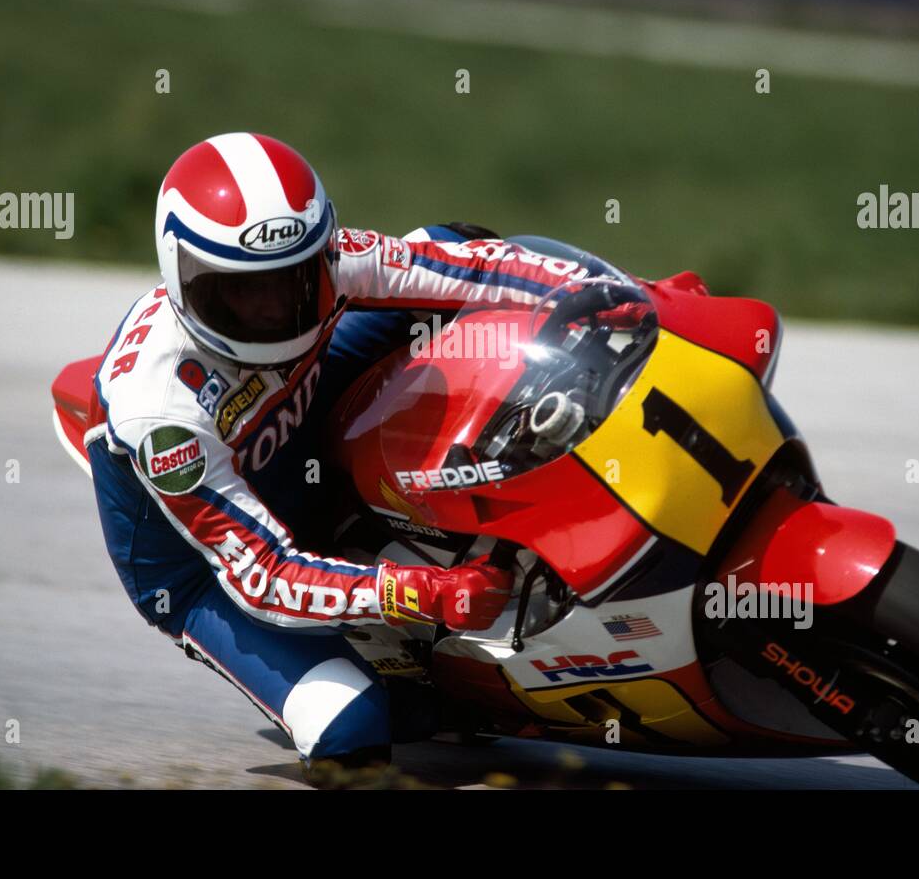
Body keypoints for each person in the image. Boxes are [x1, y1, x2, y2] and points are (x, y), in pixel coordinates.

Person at [85, 132, 596, 780]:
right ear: (186, 277)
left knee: (459, 239)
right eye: (244, 292)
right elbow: (263, 573)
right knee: (352, 727)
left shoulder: (330, 258)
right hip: (201, 566)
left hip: (300, 414)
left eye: (293, 281)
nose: (274, 309)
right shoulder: (162, 416)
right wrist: (420, 593)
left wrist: (630, 300)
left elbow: (473, 267)